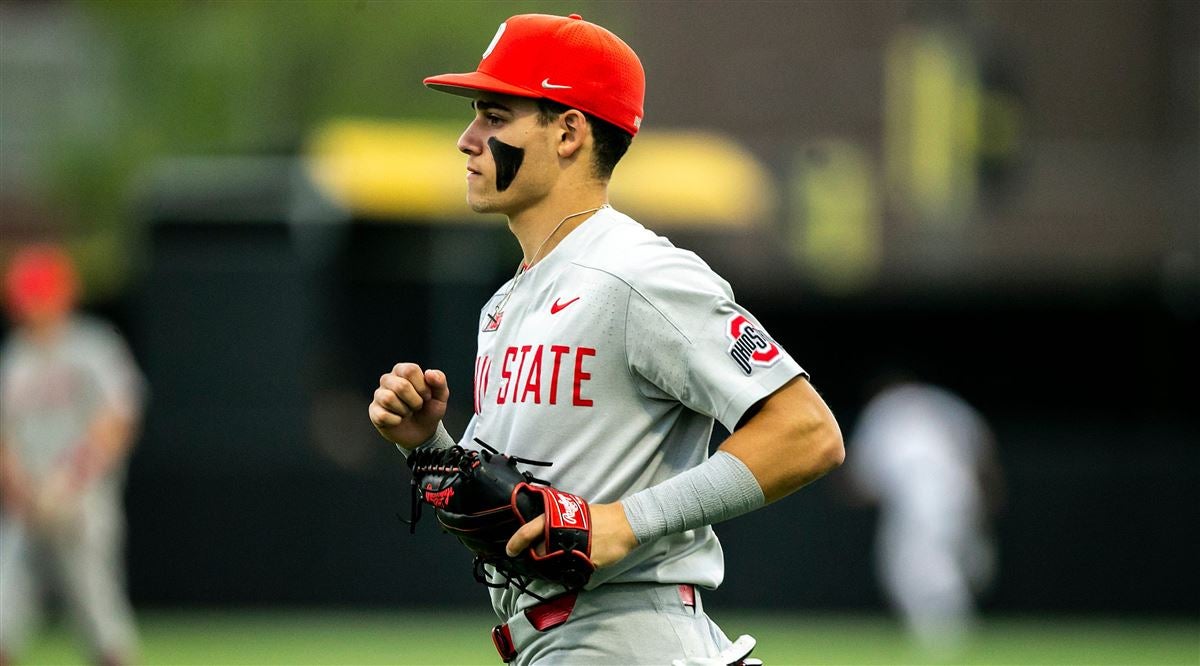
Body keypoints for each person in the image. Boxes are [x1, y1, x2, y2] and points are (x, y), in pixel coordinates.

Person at [368, 13, 844, 665]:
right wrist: (427, 446)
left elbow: (807, 431)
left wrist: (624, 522)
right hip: (561, 642)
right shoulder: (506, 306)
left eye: (494, 115)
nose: (467, 139)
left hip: (630, 637)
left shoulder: (637, 272)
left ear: (568, 131)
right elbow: (501, 523)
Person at [0, 245, 144, 666]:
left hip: (83, 500)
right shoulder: (14, 359)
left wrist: (70, 479)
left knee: (99, 614)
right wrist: (21, 488)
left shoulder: (91, 347)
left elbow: (118, 419)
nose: (32, 308)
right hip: (25, 503)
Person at [846, 379, 1001, 657]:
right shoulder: (941, 401)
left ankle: (945, 644)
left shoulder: (883, 410)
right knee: (951, 565)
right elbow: (982, 444)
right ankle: (964, 594)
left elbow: (861, 480)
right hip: (963, 492)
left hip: (919, 500)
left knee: (913, 572)